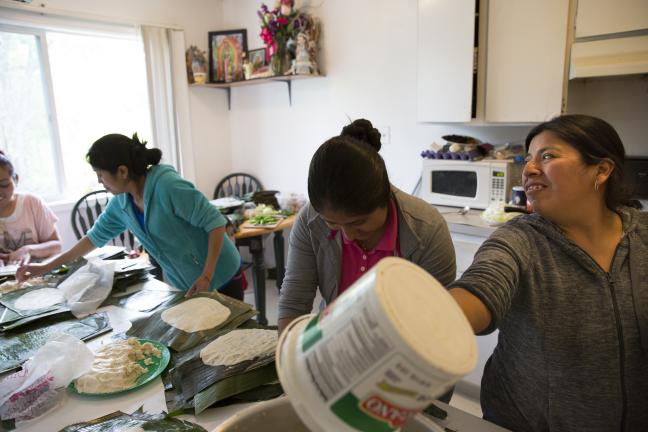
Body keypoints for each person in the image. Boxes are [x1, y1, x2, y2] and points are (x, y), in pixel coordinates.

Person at [448, 114, 648, 431]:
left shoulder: (643, 238)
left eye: (548, 156)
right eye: (528, 159)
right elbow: (481, 286)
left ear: (602, 169)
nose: (528, 169)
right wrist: (431, 316)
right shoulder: (519, 239)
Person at [278, 119, 456, 332]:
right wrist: (290, 359)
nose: (348, 235)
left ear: (385, 199)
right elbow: (295, 300)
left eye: (359, 223)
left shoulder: (426, 230)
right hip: (332, 339)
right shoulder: (311, 220)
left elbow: (438, 317)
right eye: (332, 223)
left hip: (405, 345)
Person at [17, 133, 243, 300]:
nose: (99, 182)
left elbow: (215, 224)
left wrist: (206, 275)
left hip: (220, 274)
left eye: (100, 175)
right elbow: (90, 240)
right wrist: (44, 268)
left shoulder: (168, 186)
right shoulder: (121, 203)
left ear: (122, 171)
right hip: (186, 283)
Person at [0, 151, 61, 265]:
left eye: (3, 184)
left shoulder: (31, 203)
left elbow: (56, 245)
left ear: (16, 179)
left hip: (38, 273)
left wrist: (28, 250)